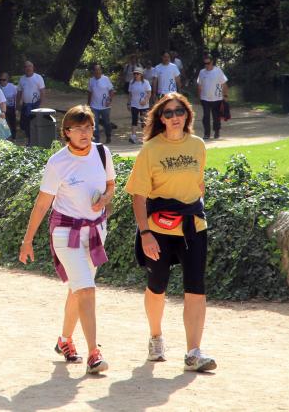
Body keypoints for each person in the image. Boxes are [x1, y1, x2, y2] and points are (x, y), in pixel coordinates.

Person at [124, 92, 216, 372]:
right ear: (160, 119)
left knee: (196, 287)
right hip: (158, 229)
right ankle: (155, 337)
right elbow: (138, 196)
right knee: (157, 285)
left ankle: (193, 352)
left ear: (187, 115)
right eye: (168, 113)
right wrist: (145, 233)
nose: (175, 117)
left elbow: (198, 186)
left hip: (193, 227)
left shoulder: (198, 146)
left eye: (179, 112)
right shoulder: (150, 150)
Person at [19, 105, 114, 374]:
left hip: (96, 231)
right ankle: (94, 353)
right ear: (66, 132)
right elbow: (42, 204)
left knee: (78, 288)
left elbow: (111, 186)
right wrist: (27, 240)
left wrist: (105, 200)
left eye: (89, 127)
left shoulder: (102, 152)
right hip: (65, 233)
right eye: (78, 128)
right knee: (86, 288)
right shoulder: (57, 162)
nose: (85, 133)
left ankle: (64, 340)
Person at [196, 57, 228, 139]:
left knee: (216, 117)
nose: (206, 65)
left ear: (212, 62)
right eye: (205, 64)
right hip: (205, 98)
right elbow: (199, 85)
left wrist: (225, 95)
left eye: (208, 63)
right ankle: (206, 133)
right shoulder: (202, 72)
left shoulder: (218, 71)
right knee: (206, 117)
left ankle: (216, 132)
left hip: (216, 98)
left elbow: (224, 84)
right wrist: (199, 97)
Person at [17, 61, 46, 145]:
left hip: (36, 105)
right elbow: (19, 92)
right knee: (26, 125)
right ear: (24, 68)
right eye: (26, 66)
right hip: (26, 105)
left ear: (33, 67)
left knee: (35, 124)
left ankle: (37, 141)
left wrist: (41, 105)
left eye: (30, 66)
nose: (28, 68)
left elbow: (42, 92)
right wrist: (18, 104)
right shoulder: (22, 79)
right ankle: (30, 141)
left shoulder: (38, 77)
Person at [87, 64, 114, 144]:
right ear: (93, 71)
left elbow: (112, 91)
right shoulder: (91, 80)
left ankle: (108, 135)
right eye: (95, 70)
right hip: (94, 106)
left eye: (98, 70)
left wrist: (109, 100)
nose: (97, 71)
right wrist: (88, 104)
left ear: (101, 71)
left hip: (105, 106)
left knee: (106, 123)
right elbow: (89, 92)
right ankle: (96, 140)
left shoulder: (106, 79)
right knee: (94, 123)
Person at [128, 66, 151, 144]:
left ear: (141, 75)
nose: (136, 75)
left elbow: (149, 93)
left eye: (137, 74)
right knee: (134, 120)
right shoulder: (131, 82)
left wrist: (145, 100)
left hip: (144, 105)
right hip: (134, 104)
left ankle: (145, 137)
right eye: (135, 74)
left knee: (143, 121)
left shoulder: (146, 82)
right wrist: (129, 103)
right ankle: (133, 136)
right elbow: (130, 94)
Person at [0, 72, 17, 140]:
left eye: (4, 80)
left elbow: (16, 98)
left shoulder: (13, 87)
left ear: (7, 80)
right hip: (1, 108)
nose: (2, 81)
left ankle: (14, 137)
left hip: (10, 107)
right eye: (0, 79)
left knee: (12, 123)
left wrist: (16, 108)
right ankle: (5, 137)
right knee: (3, 123)